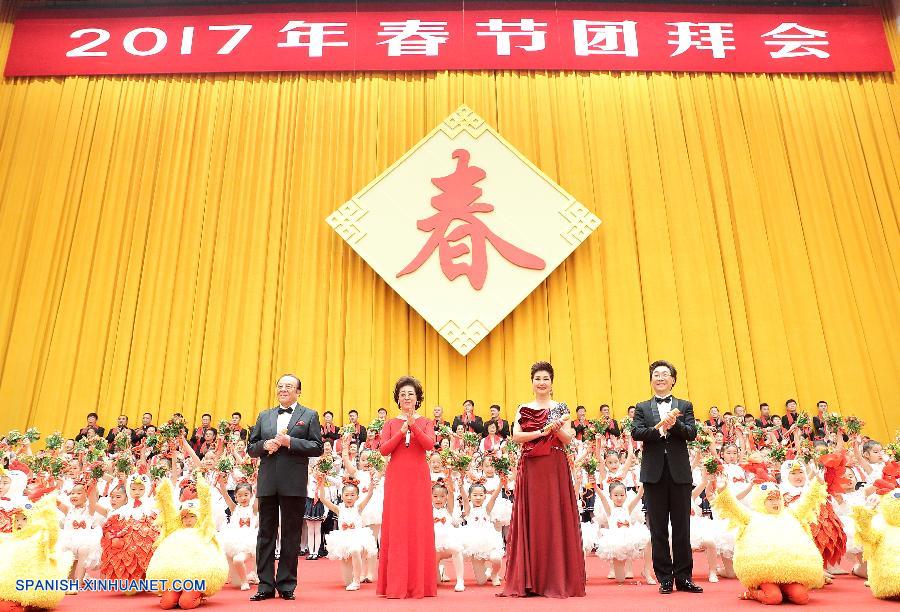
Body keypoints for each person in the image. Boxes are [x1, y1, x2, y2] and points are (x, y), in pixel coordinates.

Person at [502, 361, 586, 598]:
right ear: (532, 383)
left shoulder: (560, 408)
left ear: (552, 382)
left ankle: (557, 578)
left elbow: (568, 439)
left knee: (554, 517)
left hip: (554, 466)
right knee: (533, 516)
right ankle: (530, 580)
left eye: (545, 379)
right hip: (531, 467)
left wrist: (557, 429)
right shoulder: (524, 408)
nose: (541, 383)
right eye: (537, 378)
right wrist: (542, 431)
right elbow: (516, 436)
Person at [247, 374, 323, 602]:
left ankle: (287, 584)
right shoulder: (264, 415)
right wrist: (264, 445)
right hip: (268, 481)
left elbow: (317, 447)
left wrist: (291, 442)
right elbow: (251, 447)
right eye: (280, 386)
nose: (283, 390)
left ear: (298, 391)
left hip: (294, 482)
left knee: (290, 535)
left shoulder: (309, 415)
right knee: (265, 534)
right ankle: (265, 585)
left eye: (288, 386)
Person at [631, 360, 703, 595]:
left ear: (673, 379)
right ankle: (664, 578)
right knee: (658, 528)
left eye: (664, 374)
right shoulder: (642, 407)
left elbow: (691, 433)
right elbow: (636, 432)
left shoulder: (685, 404)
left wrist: (675, 426)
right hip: (653, 474)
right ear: (651, 380)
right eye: (655, 374)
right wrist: (660, 429)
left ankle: (684, 577)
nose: (660, 378)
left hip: (679, 473)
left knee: (682, 527)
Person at [377, 376, 436, 599]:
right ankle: (395, 583)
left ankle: (420, 584)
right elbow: (383, 450)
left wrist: (414, 427)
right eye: (403, 394)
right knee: (397, 526)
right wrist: (401, 431)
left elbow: (429, 445)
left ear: (417, 398)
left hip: (418, 478)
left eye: (411, 394)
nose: (407, 397)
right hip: (397, 478)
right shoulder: (390, 423)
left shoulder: (426, 421)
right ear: (398, 399)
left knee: (418, 526)